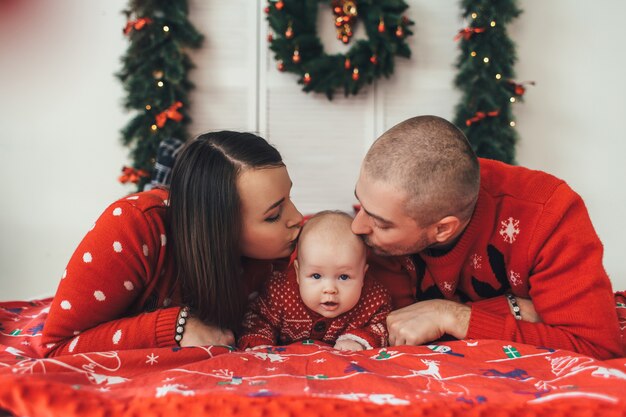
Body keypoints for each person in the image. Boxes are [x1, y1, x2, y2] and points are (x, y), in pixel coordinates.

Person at [351, 115, 622, 359]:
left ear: (443, 228)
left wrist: (450, 315)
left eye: (380, 224)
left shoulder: (547, 214)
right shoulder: (385, 210)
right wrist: (513, 309)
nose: (357, 226)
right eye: (360, 204)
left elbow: (596, 348)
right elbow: (396, 329)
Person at [40, 131, 303, 357]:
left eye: (289, 197)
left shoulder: (277, 251)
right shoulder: (133, 226)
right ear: (218, 226)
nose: (297, 218)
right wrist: (176, 327)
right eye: (274, 215)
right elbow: (57, 346)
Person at [238, 211, 392, 351]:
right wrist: (258, 341)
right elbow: (257, 318)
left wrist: (359, 340)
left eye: (343, 277)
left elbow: (384, 325)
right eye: (316, 276)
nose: (330, 289)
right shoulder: (279, 292)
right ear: (298, 273)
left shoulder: (374, 299)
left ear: (363, 275)